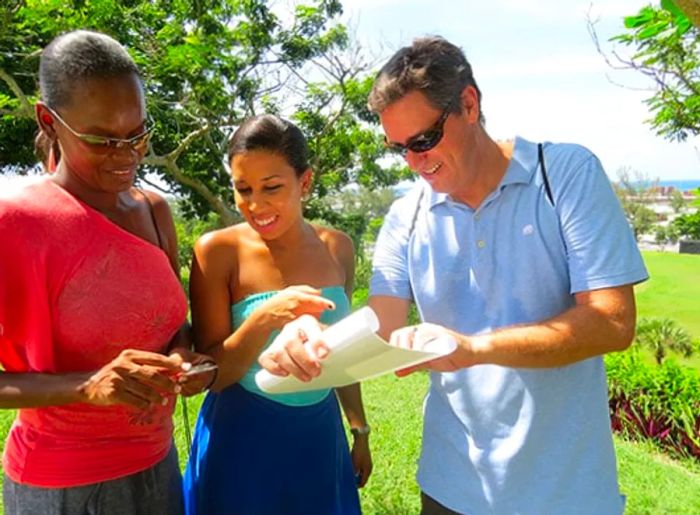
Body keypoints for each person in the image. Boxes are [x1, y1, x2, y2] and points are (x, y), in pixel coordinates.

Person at [259, 36, 649, 514]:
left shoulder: (564, 175)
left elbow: (612, 322)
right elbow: (380, 325)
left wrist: (472, 348)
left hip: (566, 491)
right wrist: (315, 338)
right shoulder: (407, 216)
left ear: (469, 104)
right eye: (399, 148)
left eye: (423, 140)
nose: (415, 162)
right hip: (451, 484)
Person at [0, 30, 215, 515]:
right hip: (63, 484)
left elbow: (168, 322)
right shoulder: (14, 221)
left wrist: (182, 355)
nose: (127, 155)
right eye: (102, 139)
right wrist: (86, 385)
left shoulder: (154, 209)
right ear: (48, 121)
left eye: (139, 133)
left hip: (156, 466)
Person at [182, 114, 372, 515]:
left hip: (319, 435)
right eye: (242, 189)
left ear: (304, 182)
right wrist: (266, 316)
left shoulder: (337, 247)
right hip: (242, 436)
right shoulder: (218, 252)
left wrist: (359, 429)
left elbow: (342, 354)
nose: (255, 205)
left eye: (271, 188)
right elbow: (213, 377)